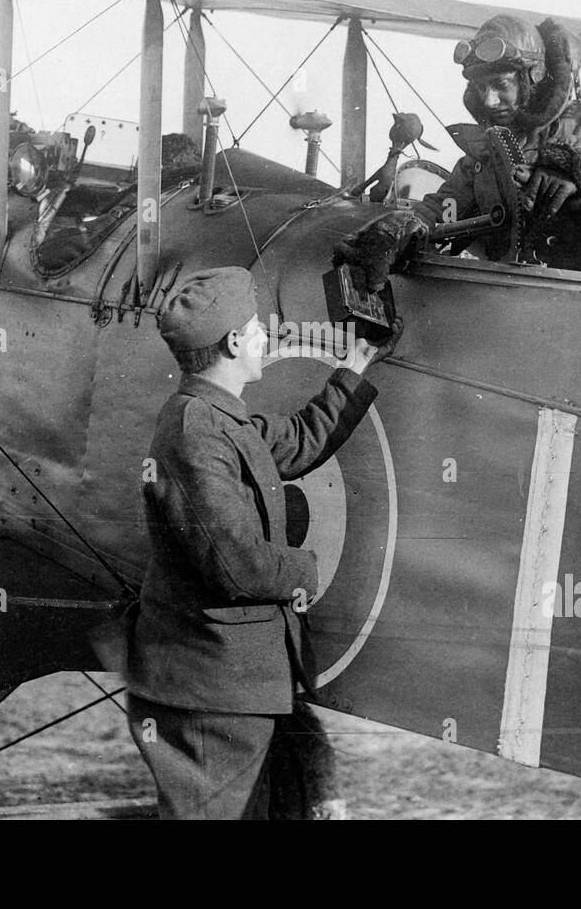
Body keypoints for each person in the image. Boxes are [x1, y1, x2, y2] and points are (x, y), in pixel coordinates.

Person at [126, 266, 401, 819]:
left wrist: (358, 362)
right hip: (211, 696)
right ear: (232, 343)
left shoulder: (220, 419)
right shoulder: (195, 432)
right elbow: (239, 566)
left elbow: (300, 441)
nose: (265, 337)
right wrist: (306, 569)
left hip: (238, 688)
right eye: (256, 328)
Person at [334, 14, 581, 283]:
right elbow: (445, 208)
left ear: (534, 76)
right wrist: (397, 229)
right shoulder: (486, 154)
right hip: (512, 299)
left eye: (500, 85)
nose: (489, 101)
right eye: (480, 88)